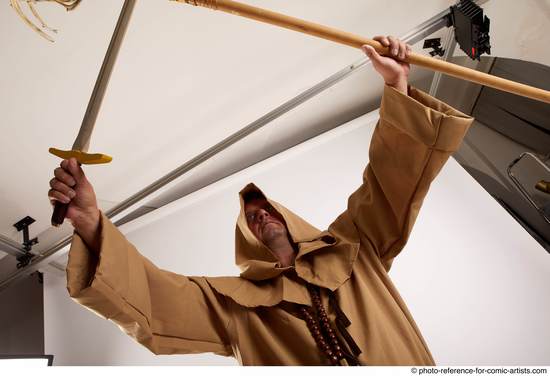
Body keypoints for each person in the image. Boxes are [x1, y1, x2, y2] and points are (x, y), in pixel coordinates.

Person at [48, 36, 473, 365]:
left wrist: (397, 85)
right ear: (246, 241)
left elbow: (390, 182)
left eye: (267, 209)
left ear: (288, 218)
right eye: (251, 217)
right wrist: (89, 221)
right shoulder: (235, 306)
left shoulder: (355, 250)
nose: (261, 217)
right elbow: (154, 303)